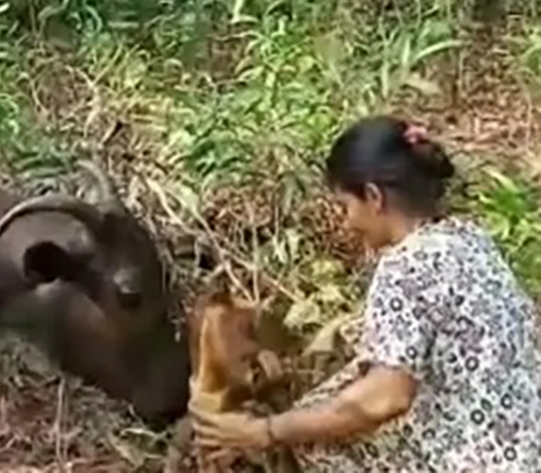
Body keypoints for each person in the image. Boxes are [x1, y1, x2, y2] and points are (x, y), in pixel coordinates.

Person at [192, 115, 541, 472]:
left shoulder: (404, 265)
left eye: (345, 207)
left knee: (318, 440)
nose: (346, 223)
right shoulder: (470, 240)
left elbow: (387, 398)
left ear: (374, 197)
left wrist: (265, 431)